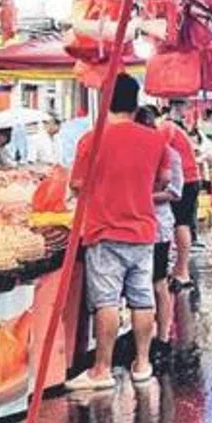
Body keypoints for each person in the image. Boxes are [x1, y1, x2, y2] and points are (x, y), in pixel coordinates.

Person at [67, 74, 170, 391]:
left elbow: (76, 184)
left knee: (107, 301)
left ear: (106, 100)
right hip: (142, 230)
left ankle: (102, 369)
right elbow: (164, 180)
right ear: (135, 102)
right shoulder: (155, 139)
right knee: (142, 299)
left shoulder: (92, 140)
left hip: (105, 229)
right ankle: (142, 363)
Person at [134, 107, 185, 352]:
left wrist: (144, 196)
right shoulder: (134, 154)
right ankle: (145, 337)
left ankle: (163, 338)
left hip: (158, 228)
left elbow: (175, 192)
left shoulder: (169, 155)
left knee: (158, 282)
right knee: (140, 285)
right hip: (134, 226)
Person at [163, 100, 201, 289]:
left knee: (181, 224)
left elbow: (158, 150)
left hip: (186, 180)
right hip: (188, 179)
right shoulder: (173, 128)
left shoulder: (166, 127)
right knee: (180, 223)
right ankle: (180, 269)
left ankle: (183, 271)